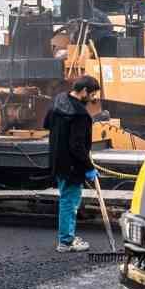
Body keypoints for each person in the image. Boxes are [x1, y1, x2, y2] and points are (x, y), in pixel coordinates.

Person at [43, 74, 100, 253]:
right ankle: (66, 241)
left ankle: (67, 237)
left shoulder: (57, 101)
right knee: (70, 202)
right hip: (72, 165)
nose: (94, 98)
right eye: (92, 95)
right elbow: (77, 146)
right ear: (84, 91)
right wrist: (89, 167)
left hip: (57, 161)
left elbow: (46, 124)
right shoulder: (81, 114)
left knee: (66, 198)